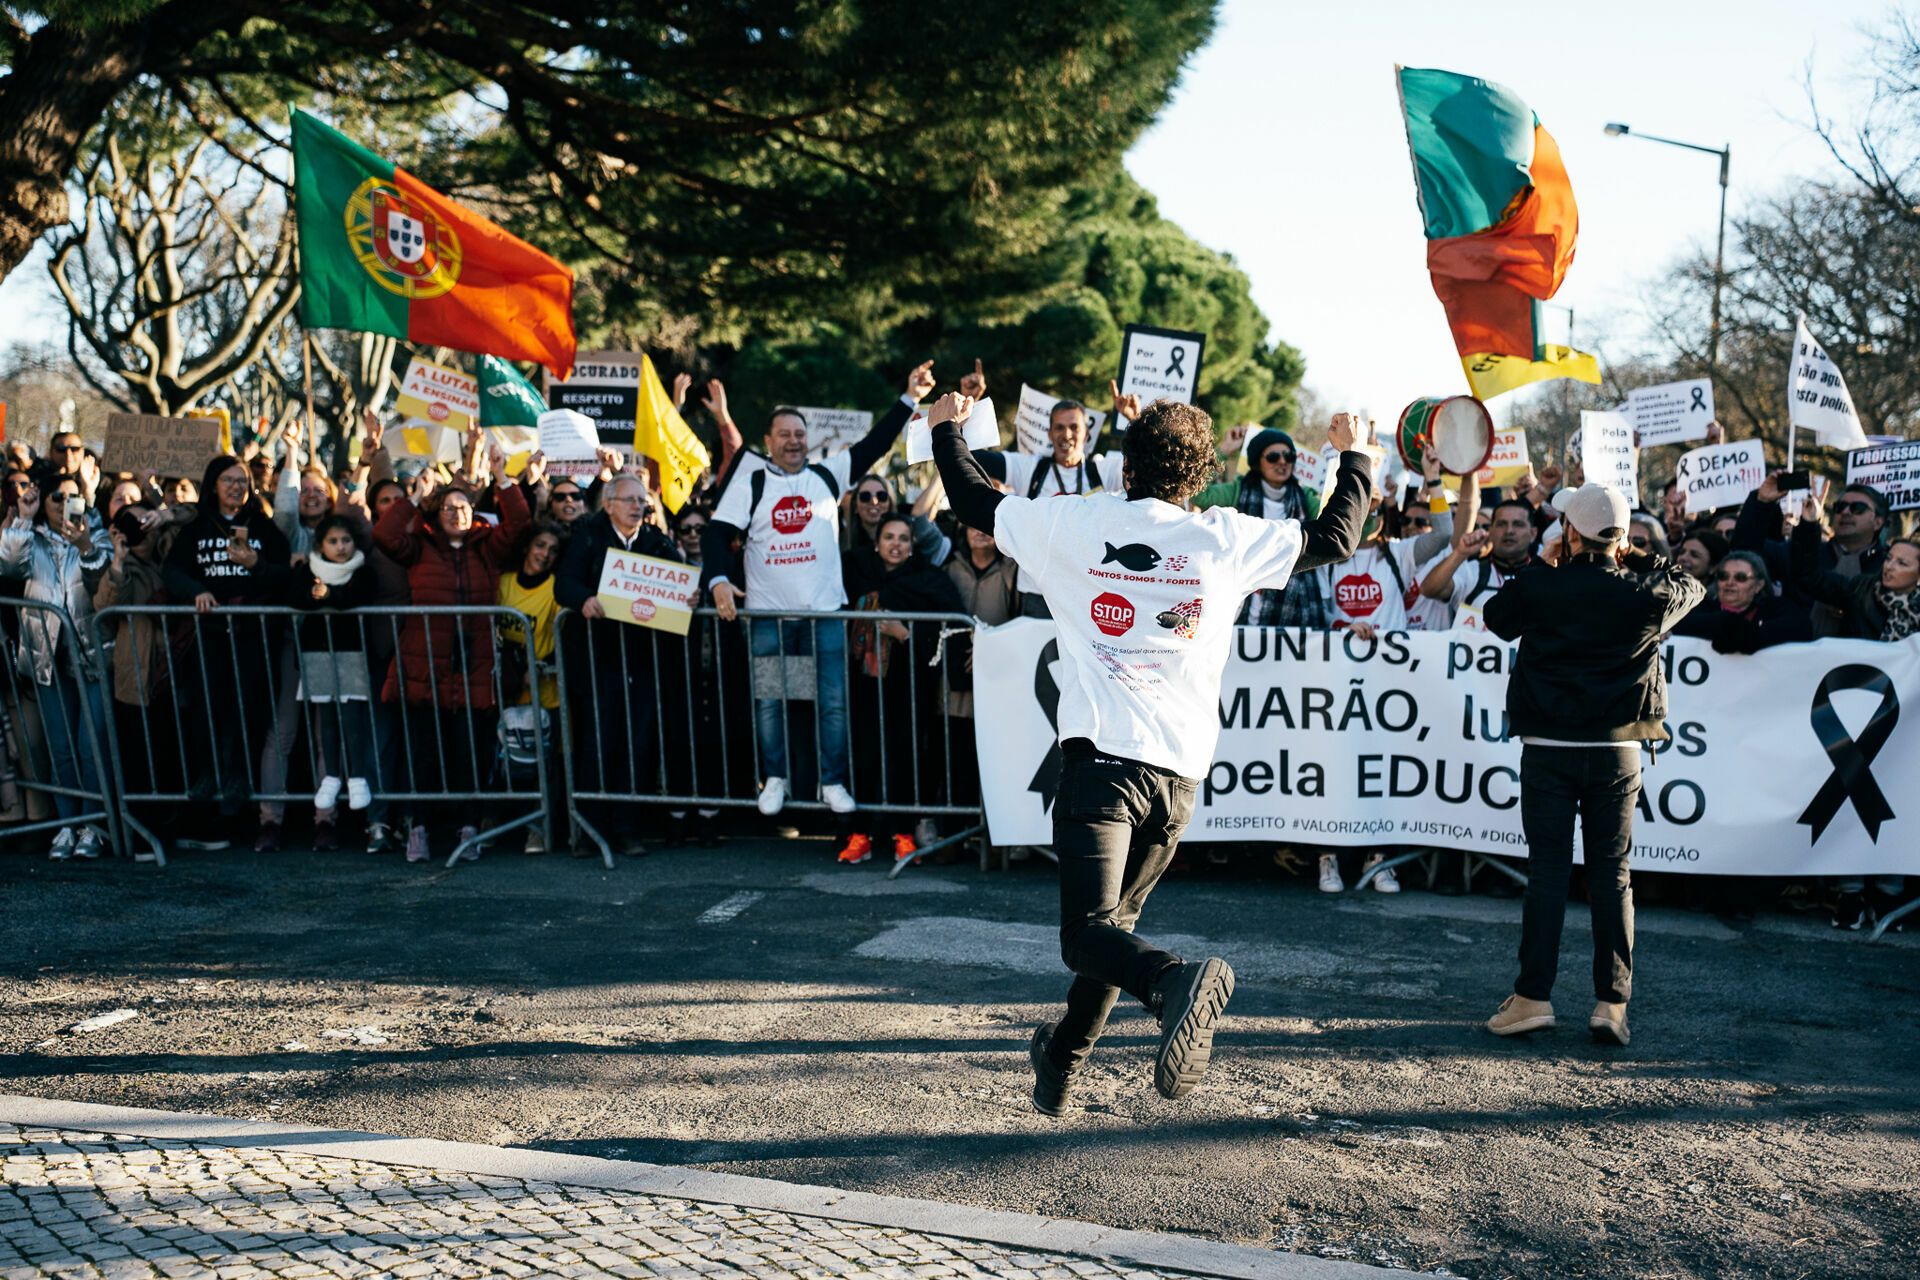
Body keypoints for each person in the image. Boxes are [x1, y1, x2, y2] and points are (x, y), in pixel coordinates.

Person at [931, 392, 1370, 1114]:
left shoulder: (1076, 522)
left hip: (1102, 765)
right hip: (1178, 777)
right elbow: (1337, 538)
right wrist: (1356, 454)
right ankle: (1062, 1057)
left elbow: (975, 501)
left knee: (1086, 935)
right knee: (1113, 931)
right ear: (1200, 475)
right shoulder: (1227, 536)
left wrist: (946, 424)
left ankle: (1172, 983)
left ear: (1127, 463)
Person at [1481, 483, 1704, 1048]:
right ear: (1622, 539)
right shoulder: (1646, 591)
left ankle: (1532, 998)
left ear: (1569, 533)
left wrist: (1544, 563)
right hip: (1618, 750)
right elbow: (1692, 586)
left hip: (1550, 749)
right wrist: (1637, 554)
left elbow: (1496, 617)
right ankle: (1612, 1004)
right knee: (1612, 873)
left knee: (1549, 871)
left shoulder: (1540, 583)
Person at [702, 363, 921, 818]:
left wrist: (909, 398)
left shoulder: (829, 474)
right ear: (769, 442)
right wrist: (719, 580)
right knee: (770, 704)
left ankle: (832, 781)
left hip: (824, 616)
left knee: (833, 705)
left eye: (799, 433)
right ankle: (776, 779)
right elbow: (715, 533)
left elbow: (875, 445)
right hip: (769, 618)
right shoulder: (754, 481)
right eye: (784, 434)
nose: (793, 441)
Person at [374, 447, 529, 863]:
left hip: (474, 667)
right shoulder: (420, 547)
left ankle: (469, 829)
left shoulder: (487, 547)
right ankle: (419, 828)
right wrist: (412, 497)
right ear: (436, 513)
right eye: (447, 506)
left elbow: (520, 525)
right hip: (425, 665)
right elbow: (385, 536)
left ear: (473, 512)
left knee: (471, 753)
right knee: (424, 752)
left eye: (463, 506)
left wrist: (503, 479)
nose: (456, 513)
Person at [161, 454, 293, 848]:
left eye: (242, 480)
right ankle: (208, 795)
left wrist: (256, 564)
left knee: (248, 715)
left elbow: (284, 571)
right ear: (213, 485)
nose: (237, 487)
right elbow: (172, 571)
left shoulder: (263, 528)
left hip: (254, 637)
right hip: (212, 635)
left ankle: (236, 808)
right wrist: (195, 591)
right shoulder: (198, 527)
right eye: (228, 480)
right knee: (208, 711)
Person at [554, 472, 682, 856]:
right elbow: (565, 584)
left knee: (637, 744)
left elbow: (679, 584)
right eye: (628, 500)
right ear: (608, 504)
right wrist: (584, 600)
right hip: (598, 660)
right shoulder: (588, 536)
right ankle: (590, 830)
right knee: (598, 743)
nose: (637, 506)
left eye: (641, 500)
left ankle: (628, 828)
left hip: (642, 661)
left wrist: (687, 597)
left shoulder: (656, 541)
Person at [838, 511, 965, 865]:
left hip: (909, 686)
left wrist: (905, 634)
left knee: (907, 755)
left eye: (904, 539)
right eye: (889, 537)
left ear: (912, 547)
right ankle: (859, 835)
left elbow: (951, 627)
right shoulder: (855, 572)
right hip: (863, 685)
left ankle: (904, 836)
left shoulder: (928, 579)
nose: (896, 544)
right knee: (862, 753)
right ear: (876, 544)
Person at [0, 467, 111, 859]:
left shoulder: (97, 532)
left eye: (72, 496)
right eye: (57, 498)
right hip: (45, 655)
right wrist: (24, 519)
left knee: (90, 744)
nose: (66, 504)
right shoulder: (31, 537)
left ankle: (94, 827)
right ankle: (67, 825)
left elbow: (103, 581)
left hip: (91, 654)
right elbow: (9, 567)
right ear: (43, 502)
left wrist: (85, 547)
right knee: (61, 746)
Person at [965, 377, 1127, 617]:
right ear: (1050, 433)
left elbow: (1146, 463)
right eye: (1059, 427)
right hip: (1037, 592)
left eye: (1074, 427)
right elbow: (976, 457)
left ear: (1087, 434)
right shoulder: (1031, 469)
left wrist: (1133, 420)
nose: (1067, 434)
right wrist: (971, 405)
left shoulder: (1103, 471)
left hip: (1088, 592)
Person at [288, 515, 379, 851]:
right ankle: (331, 778)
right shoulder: (306, 569)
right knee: (325, 718)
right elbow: (296, 597)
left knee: (352, 718)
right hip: (317, 654)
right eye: (333, 541)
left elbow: (357, 599)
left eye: (345, 540)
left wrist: (327, 597)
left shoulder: (363, 571)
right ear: (320, 545)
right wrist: (318, 595)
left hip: (352, 653)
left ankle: (356, 779)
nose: (341, 548)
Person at [1191, 427, 1328, 627]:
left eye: (1288, 456)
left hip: (1295, 608)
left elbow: (1335, 525)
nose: (1282, 462)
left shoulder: (1305, 497)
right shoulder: (1237, 491)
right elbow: (1197, 494)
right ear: (1257, 462)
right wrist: (1224, 449)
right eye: (1273, 456)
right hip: (1242, 602)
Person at [498, 522, 566, 854]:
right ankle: (491, 824)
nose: (545, 554)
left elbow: (562, 631)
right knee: (503, 763)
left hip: (545, 691)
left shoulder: (555, 588)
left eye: (553, 550)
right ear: (527, 547)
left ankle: (537, 830)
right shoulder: (504, 583)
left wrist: (538, 668)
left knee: (543, 768)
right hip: (507, 691)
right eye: (540, 545)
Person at [1673, 550, 1810, 653]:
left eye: (1740, 577)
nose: (1730, 583)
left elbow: (1803, 627)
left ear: (1758, 585)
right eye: (1723, 576)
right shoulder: (1697, 607)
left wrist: (1751, 635)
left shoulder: (1777, 608)